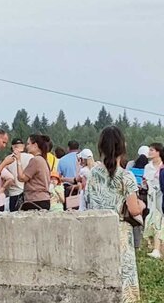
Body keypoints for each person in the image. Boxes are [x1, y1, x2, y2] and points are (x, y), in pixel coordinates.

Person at [84, 126, 142, 303]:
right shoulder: (127, 176)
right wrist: (142, 204)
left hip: (96, 229)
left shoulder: (93, 173)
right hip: (120, 232)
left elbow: (88, 199)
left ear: (100, 147)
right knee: (123, 276)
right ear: (122, 147)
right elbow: (134, 210)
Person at [15, 134, 51, 211]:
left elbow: (22, 177)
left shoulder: (35, 160)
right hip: (44, 199)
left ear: (35, 145)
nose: (26, 146)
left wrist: (18, 160)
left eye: (28, 144)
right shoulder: (43, 160)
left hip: (35, 200)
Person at [144, 143, 163, 258]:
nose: (149, 152)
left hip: (161, 197)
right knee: (154, 221)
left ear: (158, 152)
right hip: (152, 198)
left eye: (152, 150)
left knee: (159, 221)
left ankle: (157, 248)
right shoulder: (148, 167)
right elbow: (147, 182)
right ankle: (156, 247)